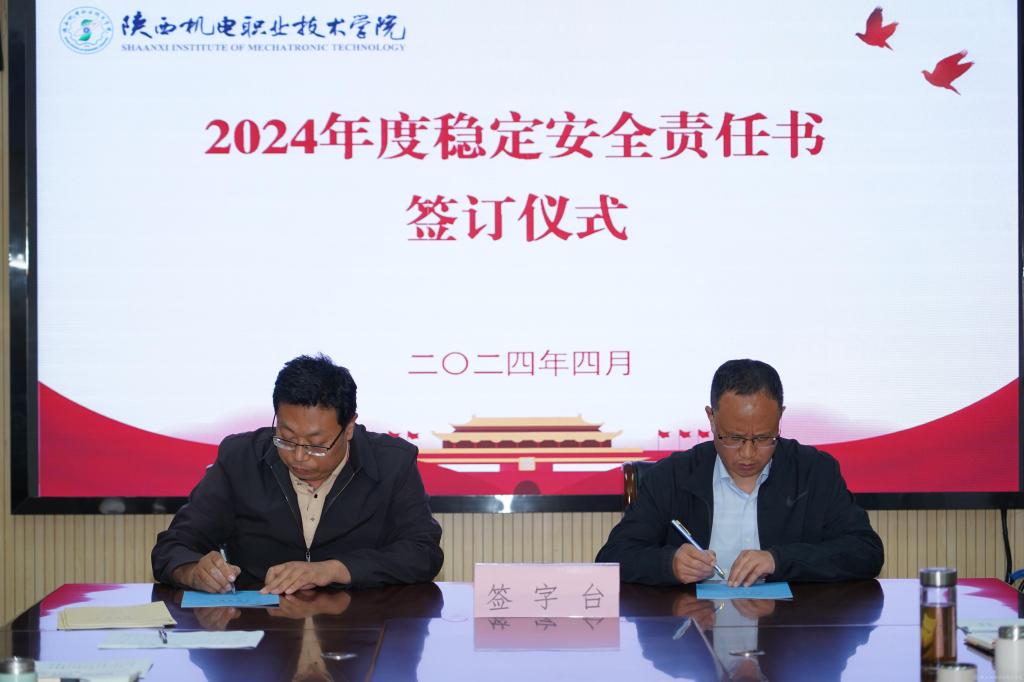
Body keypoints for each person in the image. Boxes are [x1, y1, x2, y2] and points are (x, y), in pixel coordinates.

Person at [152, 354, 443, 592]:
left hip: (364, 629)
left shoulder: (392, 462)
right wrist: (192, 572)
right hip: (262, 631)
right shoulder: (240, 458)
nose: (299, 456)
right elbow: (173, 546)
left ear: (349, 428)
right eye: (286, 438)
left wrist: (335, 569)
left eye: (316, 445)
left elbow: (423, 553)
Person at [596, 359, 883, 586]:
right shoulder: (671, 476)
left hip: (789, 632)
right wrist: (668, 564)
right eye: (733, 438)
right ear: (711, 418)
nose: (748, 453)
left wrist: (778, 560)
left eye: (763, 438)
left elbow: (865, 551)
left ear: (780, 417)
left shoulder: (814, 472)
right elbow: (613, 557)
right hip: (693, 633)